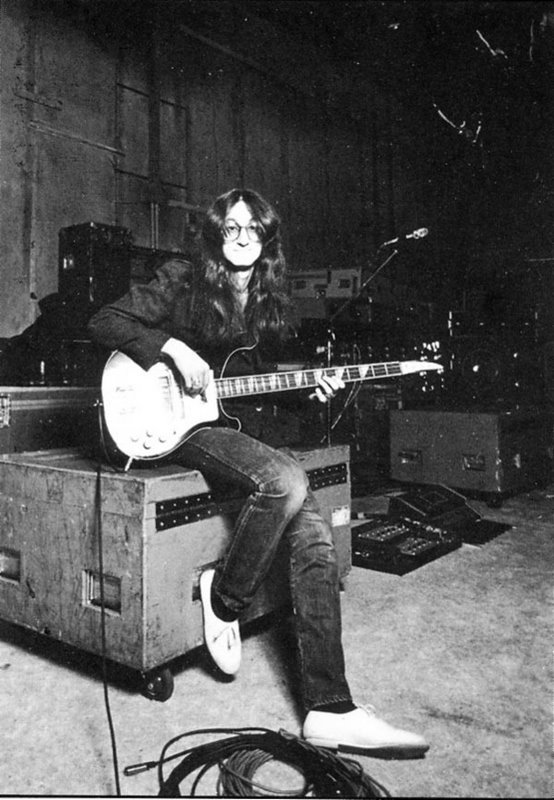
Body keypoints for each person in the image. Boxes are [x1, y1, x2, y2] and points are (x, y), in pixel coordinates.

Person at [88, 187, 429, 758]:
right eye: (232, 228)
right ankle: (226, 600)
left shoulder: (271, 300)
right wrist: (171, 347)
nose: (243, 239)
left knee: (315, 539)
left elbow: (257, 388)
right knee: (286, 481)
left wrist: (314, 392)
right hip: (175, 424)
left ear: (267, 239)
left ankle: (330, 709)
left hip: (233, 425)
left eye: (254, 230)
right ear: (216, 233)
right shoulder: (183, 277)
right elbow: (105, 321)